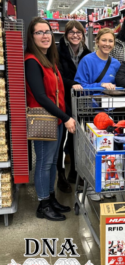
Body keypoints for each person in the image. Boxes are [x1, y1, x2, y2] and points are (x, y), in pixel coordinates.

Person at [25, 17, 76, 221]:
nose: (45, 36)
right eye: (39, 32)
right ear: (32, 36)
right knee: (44, 164)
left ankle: (51, 197)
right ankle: (43, 204)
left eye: (47, 32)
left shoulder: (48, 59)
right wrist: (65, 117)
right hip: (45, 120)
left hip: (55, 120)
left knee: (53, 161)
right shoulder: (32, 61)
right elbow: (40, 96)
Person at [56, 20, 91, 193]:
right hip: (62, 99)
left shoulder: (88, 53)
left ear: (83, 34)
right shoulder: (57, 51)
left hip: (81, 101)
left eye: (79, 32)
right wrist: (73, 84)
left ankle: (74, 172)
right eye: (71, 32)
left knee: (77, 136)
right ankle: (60, 175)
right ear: (66, 33)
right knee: (60, 139)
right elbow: (57, 76)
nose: (75, 35)